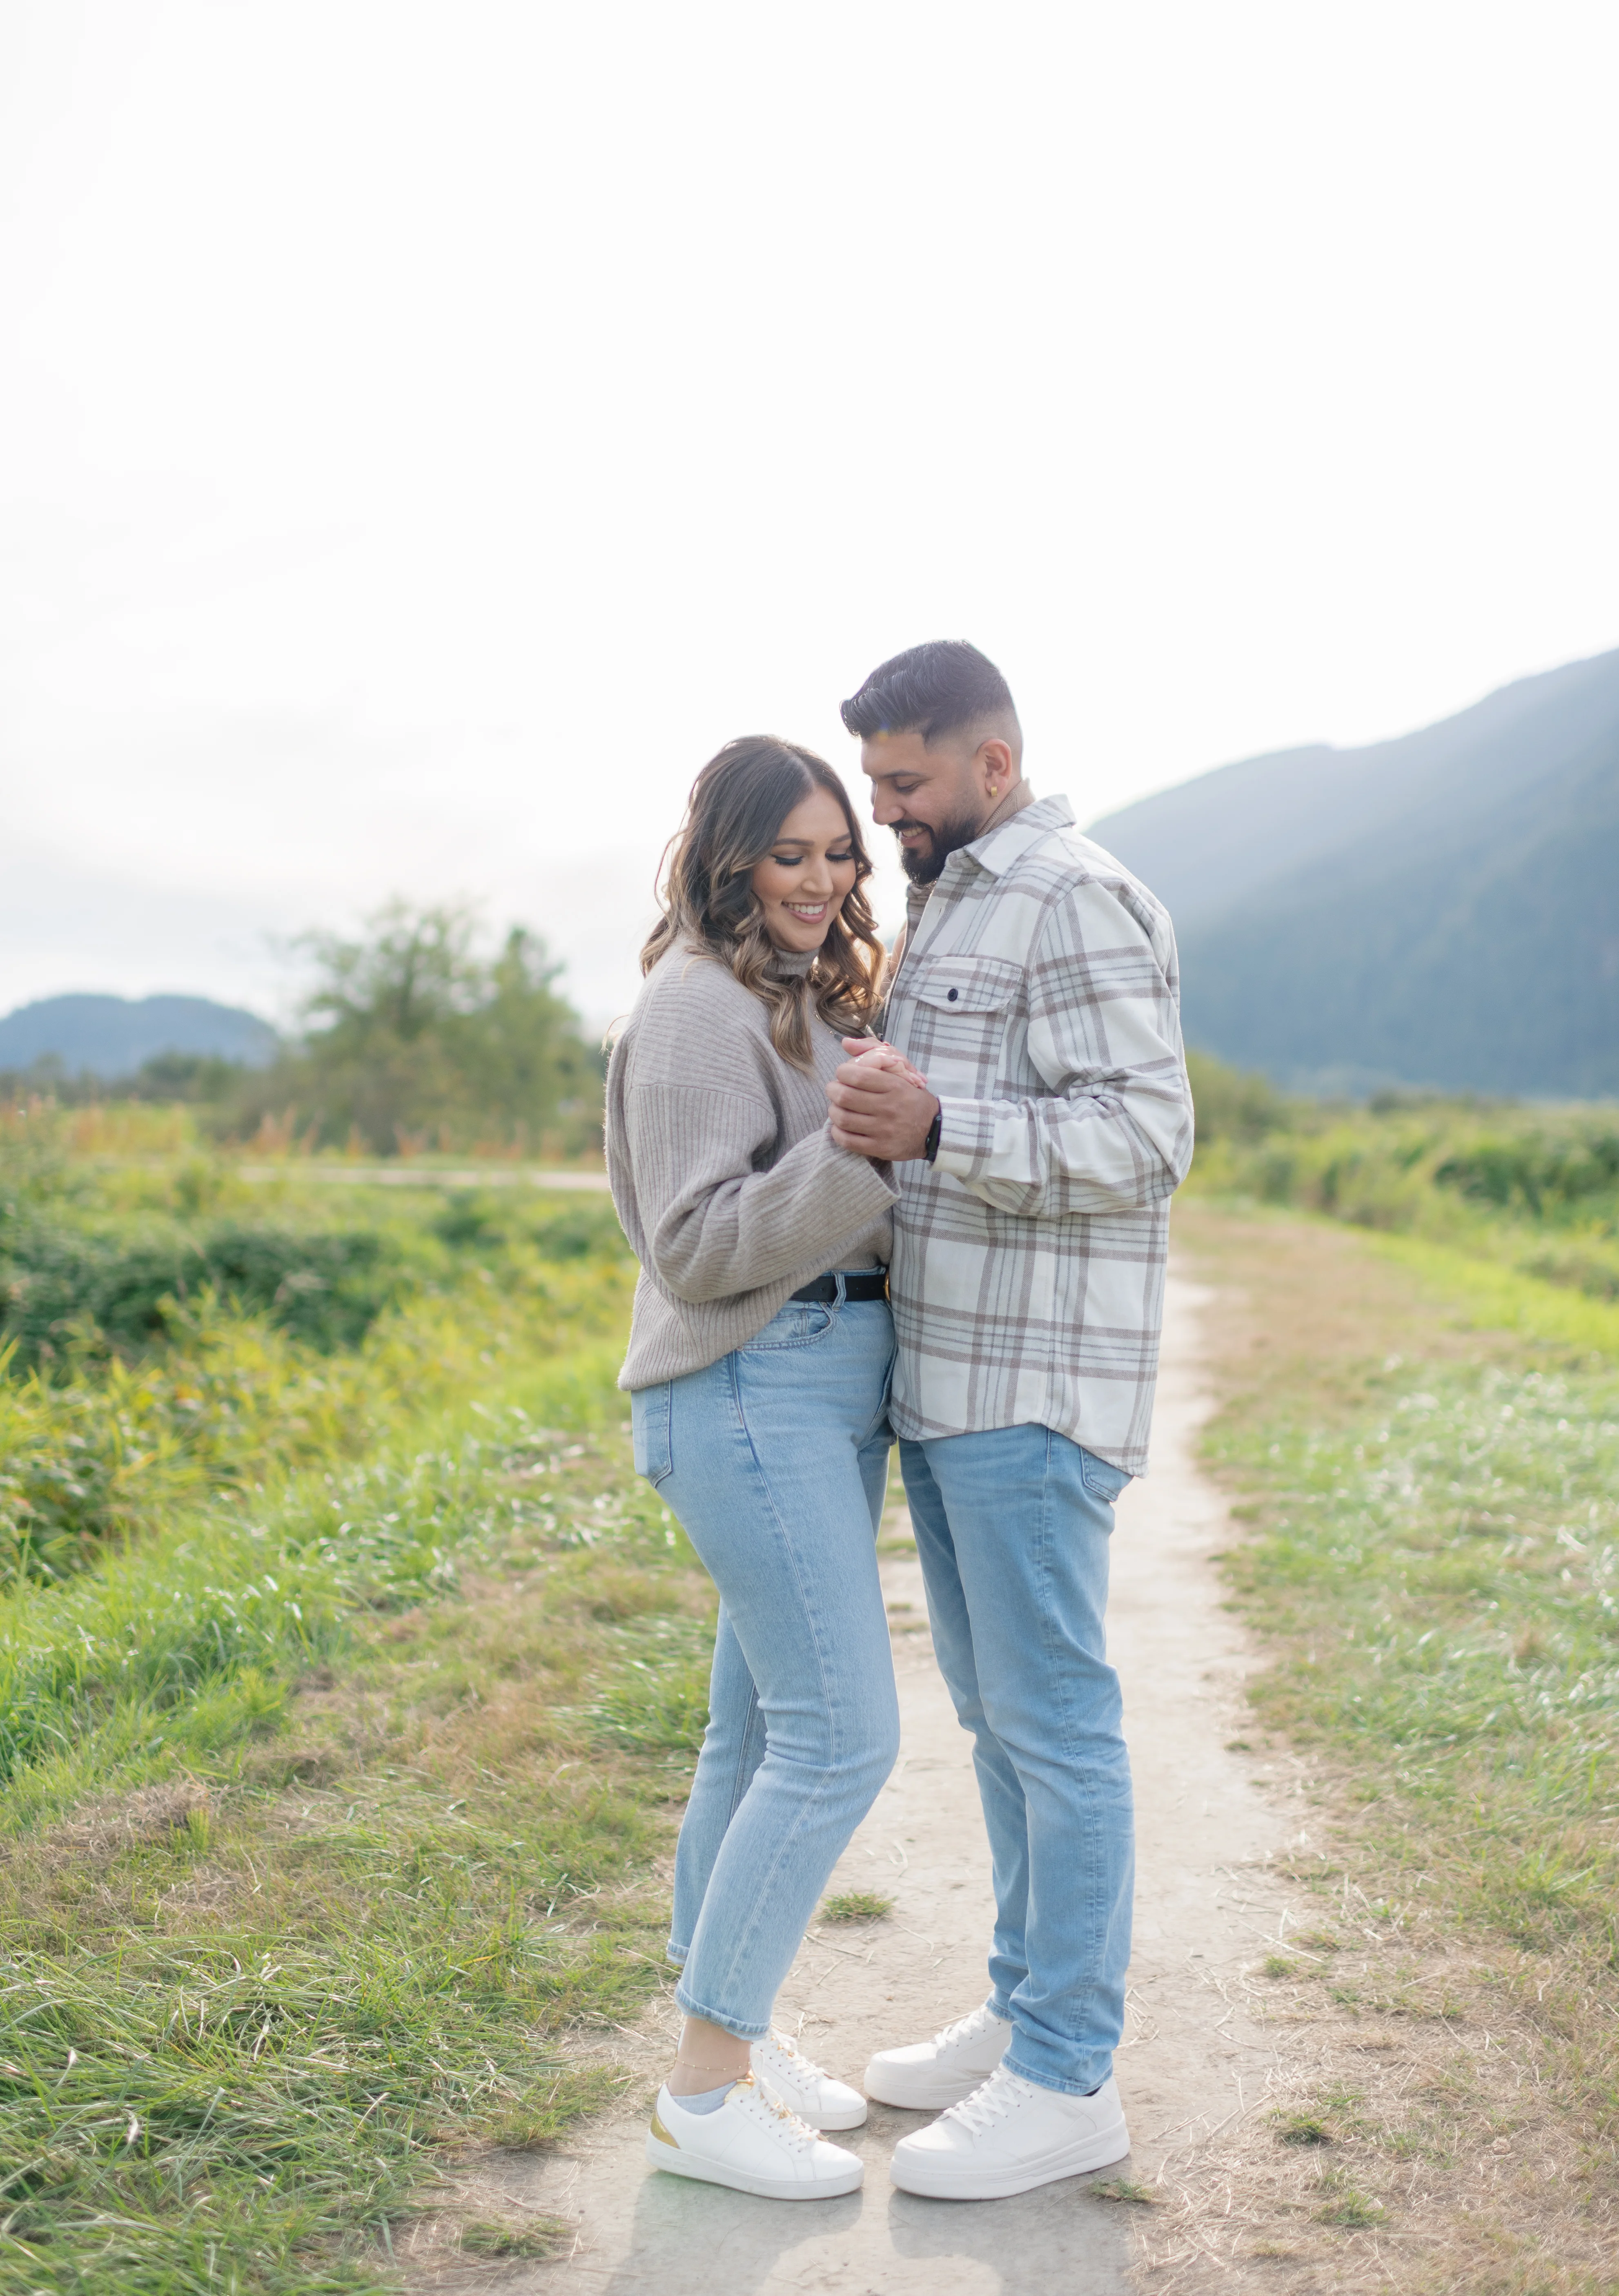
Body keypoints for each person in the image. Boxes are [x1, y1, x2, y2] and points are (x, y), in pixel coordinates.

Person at [826, 640, 1195, 2202]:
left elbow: (1149, 1131)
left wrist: (939, 1126)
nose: (883, 811)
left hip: (1038, 1393)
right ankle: (1022, 2009)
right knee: (1001, 1728)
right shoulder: (951, 898)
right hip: (953, 1385)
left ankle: (1070, 2078)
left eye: (905, 782)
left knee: (1057, 1725)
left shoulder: (1075, 894)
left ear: (993, 761)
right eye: (873, 784)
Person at [605, 735, 904, 2202]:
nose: (823, 878)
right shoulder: (692, 1010)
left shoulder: (798, 999)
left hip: (820, 1396)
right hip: (744, 1393)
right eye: (792, 853)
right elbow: (700, 1242)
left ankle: (738, 2018)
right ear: (729, 856)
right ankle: (705, 2093)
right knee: (841, 1739)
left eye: (838, 852)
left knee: (755, 1734)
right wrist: (861, 1154)